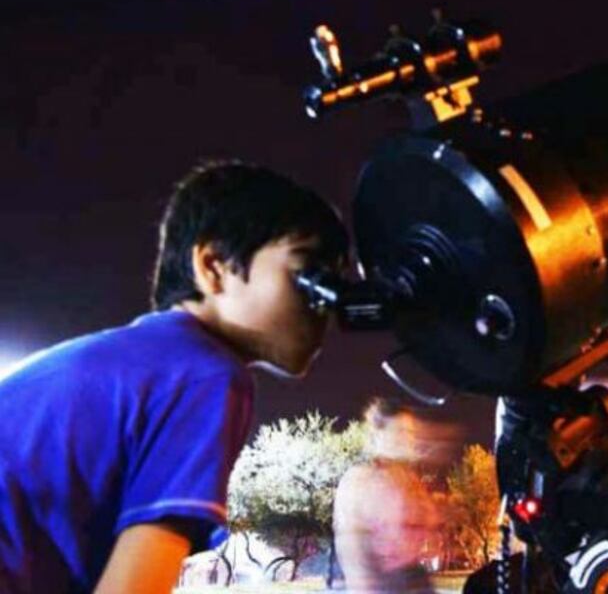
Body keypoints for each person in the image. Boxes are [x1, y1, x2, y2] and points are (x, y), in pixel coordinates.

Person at [0, 160, 348, 594]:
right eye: (308, 275)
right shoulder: (206, 373)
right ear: (214, 266)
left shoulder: (146, 361)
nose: (327, 304)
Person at [333, 398, 444, 593]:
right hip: (382, 583)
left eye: (410, 433)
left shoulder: (411, 482)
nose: (407, 439)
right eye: (399, 432)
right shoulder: (360, 480)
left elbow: (430, 524)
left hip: (415, 579)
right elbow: (351, 545)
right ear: (378, 435)